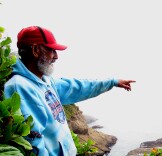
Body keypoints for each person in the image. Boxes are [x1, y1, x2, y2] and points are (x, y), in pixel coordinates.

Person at [4, 26, 135, 156]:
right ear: (35, 50)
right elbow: (34, 143)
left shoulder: (45, 81)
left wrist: (113, 82)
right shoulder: (19, 87)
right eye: (52, 50)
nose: (56, 57)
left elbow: (79, 87)